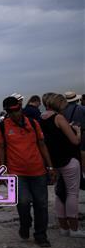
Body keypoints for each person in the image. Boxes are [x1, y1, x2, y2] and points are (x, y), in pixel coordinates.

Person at [0, 96, 56, 247]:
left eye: (17, 110)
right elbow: (1, 149)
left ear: (20, 107)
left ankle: (40, 234)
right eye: (11, 111)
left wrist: (50, 167)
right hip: (16, 173)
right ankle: (25, 223)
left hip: (38, 170)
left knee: (41, 204)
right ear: (7, 111)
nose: (15, 114)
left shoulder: (33, 124)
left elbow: (42, 145)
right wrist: (3, 170)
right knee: (22, 202)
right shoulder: (2, 127)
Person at [39, 93, 84, 237]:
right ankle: (74, 229)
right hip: (68, 159)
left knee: (59, 193)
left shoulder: (41, 118)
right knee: (72, 193)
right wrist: (77, 132)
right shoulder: (58, 117)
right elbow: (75, 141)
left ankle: (63, 228)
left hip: (53, 161)